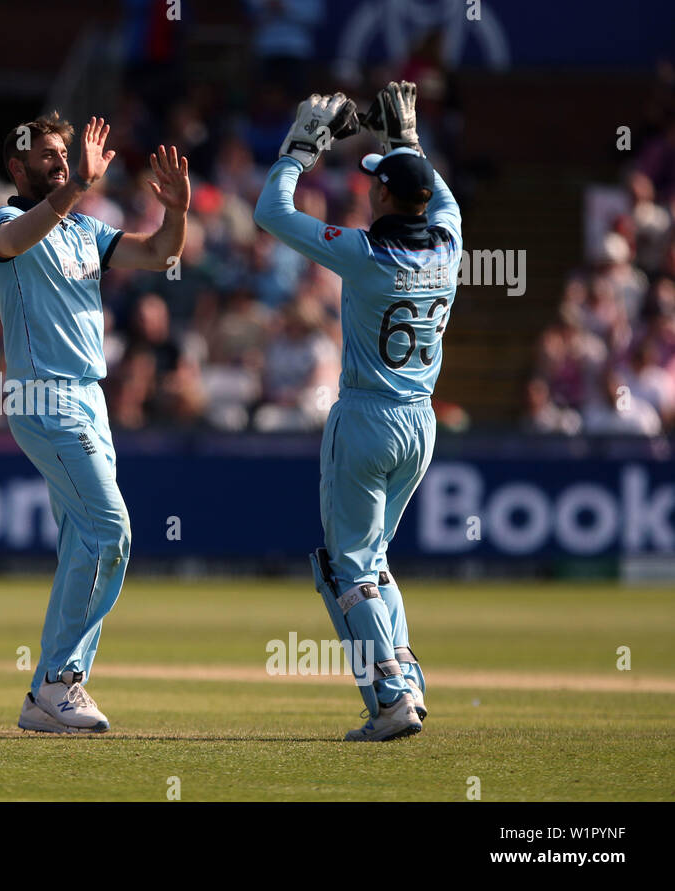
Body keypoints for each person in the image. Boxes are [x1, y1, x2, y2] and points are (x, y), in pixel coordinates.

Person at [254, 83, 461, 741]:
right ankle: (406, 681)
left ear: (388, 196)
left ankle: (393, 697)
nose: (368, 189)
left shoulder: (364, 252)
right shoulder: (450, 244)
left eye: (378, 182)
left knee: (346, 568)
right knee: (372, 562)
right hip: (420, 422)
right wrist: (408, 141)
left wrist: (299, 148)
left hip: (367, 416)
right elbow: (445, 199)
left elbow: (271, 211)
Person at [0, 112, 191, 733]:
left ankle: (46, 695)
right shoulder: (4, 224)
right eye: (45, 155)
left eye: (62, 152)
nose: (59, 160)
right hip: (43, 397)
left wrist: (176, 211)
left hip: (90, 398)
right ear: (17, 168)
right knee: (111, 531)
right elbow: (17, 241)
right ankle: (58, 681)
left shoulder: (83, 229)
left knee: (83, 541)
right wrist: (79, 186)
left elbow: (159, 253)